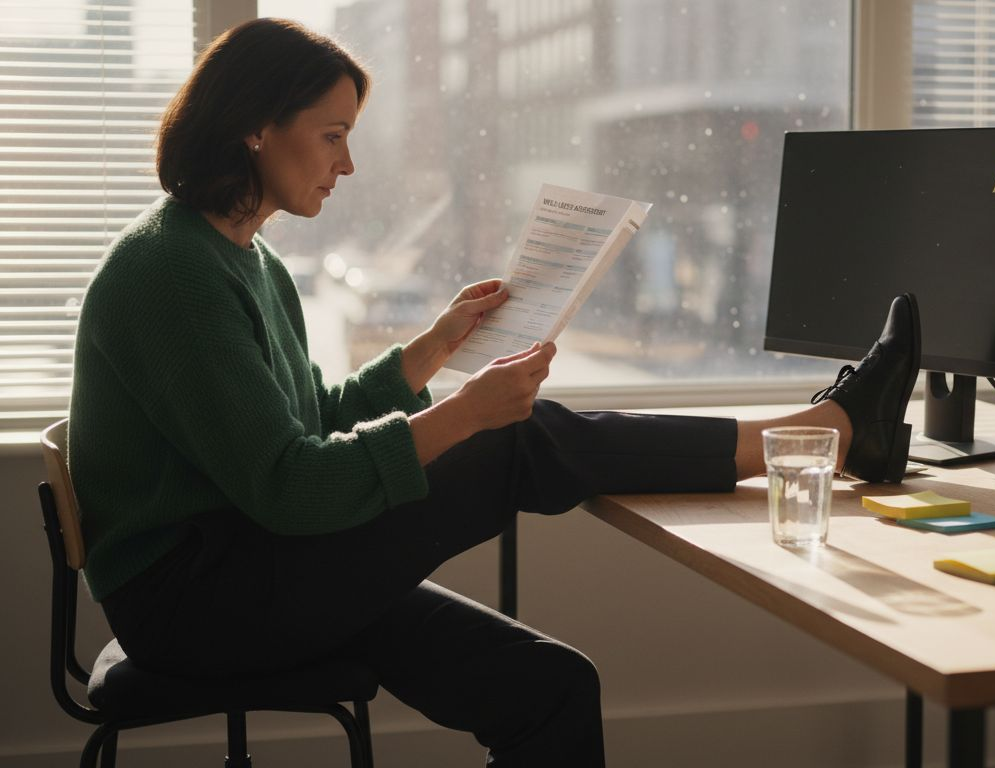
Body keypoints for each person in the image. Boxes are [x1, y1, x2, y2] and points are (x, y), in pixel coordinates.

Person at [66, 17, 919, 767]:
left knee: (551, 687)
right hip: (201, 602)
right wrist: (464, 415)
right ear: (256, 126)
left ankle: (823, 431)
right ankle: (825, 433)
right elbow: (292, 486)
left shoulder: (247, 258)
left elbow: (313, 422)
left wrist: (432, 349)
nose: (349, 163)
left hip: (256, 563)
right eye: (333, 136)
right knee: (515, 437)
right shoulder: (169, 273)